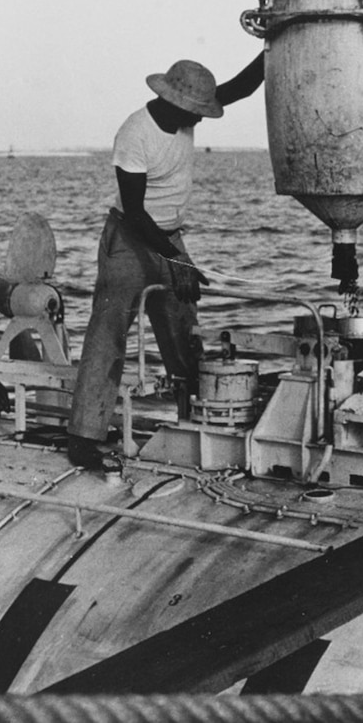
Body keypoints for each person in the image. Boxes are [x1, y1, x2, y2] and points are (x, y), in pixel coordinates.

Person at [65, 54, 264, 462]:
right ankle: (84, 438)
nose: (201, 118)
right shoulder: (135, 133)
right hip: (129, 237)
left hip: (170, 236)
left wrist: (274, 43)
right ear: (173, 101)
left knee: (184, 331)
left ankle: (196, 423)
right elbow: (136, 213)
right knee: (109, 332)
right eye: (196, 111)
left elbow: (240, 88)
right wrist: (176, 259)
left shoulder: (184, 114)